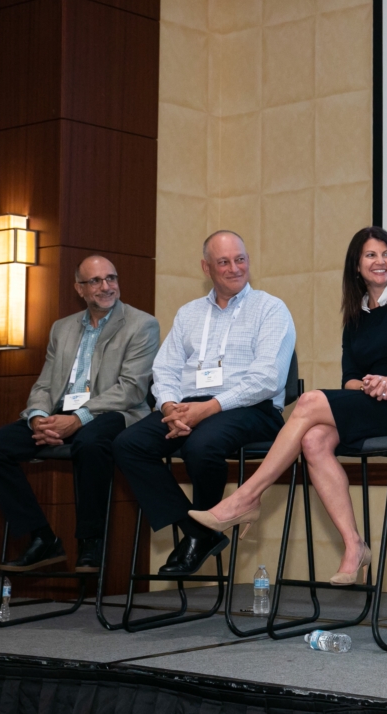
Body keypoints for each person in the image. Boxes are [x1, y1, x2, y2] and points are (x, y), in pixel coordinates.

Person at [188, 227, 387, 584]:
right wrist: (370, 385)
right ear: (356, 266)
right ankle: (354, 544)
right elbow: (350, 380)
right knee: (313, 440)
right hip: (374, 404)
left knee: (311, 401)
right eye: (371, 255)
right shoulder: (356, 315)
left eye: (386, 254)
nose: (380, 262)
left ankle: (246, 497)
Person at [112, 231, 296, 577]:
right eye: (223, 262)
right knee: (128, 444)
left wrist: (208, 408)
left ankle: (203, 533)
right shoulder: (189, 313)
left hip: (252, 409)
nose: (234, 268)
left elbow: (267, 379)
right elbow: (163, 369)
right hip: (187, 408)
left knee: (202, 444)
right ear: (206, 267)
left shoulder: (270, 308)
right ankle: (200, 533)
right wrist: (169, 408)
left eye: (240, 259)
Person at [0, 256, 159, 572]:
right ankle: (42, 538)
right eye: (96, 281)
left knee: (89, 441)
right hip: (60, 414)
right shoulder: (62, 328)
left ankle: (90, 542)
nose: (106, 287)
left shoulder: (142, 324)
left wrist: (78, 419)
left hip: (115, 411)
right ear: (79, 289)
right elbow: (45, 383)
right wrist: (38, 419)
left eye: (111, 278)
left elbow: (131, 389)